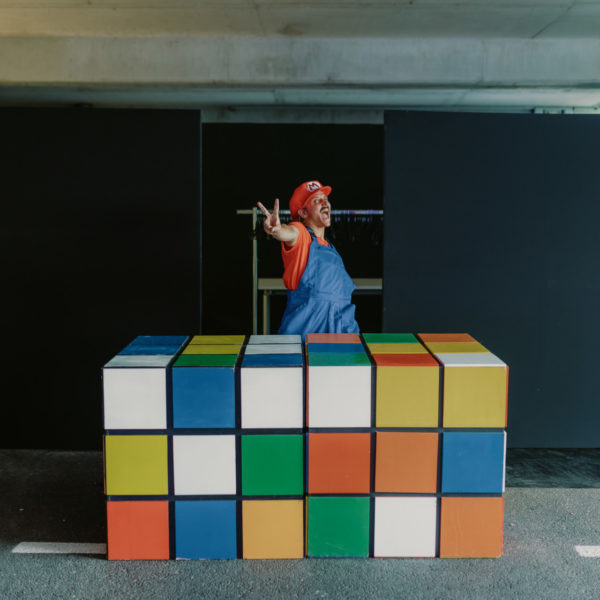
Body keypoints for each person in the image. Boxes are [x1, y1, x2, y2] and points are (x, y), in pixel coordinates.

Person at [257, 180, 359, 336]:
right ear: (303, 213)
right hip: (307, 330)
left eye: (326, 199)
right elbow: (289, 232)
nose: (325, 203)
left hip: (341, 330)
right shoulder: (302, 235)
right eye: (317, 201)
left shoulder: (332, 251)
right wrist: (277, 230)